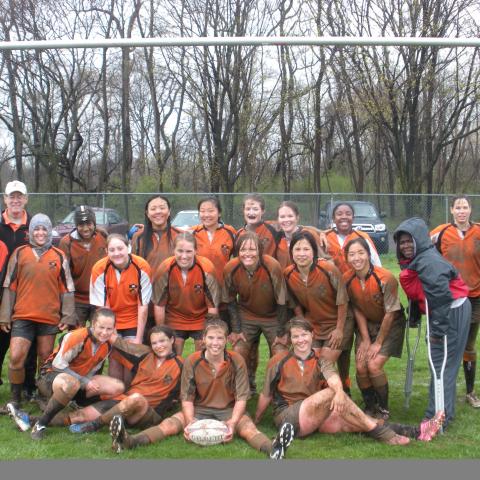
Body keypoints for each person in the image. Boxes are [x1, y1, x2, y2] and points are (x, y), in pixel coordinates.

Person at [108, 318, 295, 460]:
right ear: (203, 339)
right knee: (168, 425)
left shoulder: (237, 360)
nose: (215, 343)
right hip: (198, 408)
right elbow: (187, 398)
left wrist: (232, 422)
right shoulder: (192, 360)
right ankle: (129, 441)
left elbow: (241, 398)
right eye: (211, 338)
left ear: (227, 340)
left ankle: (274, 448)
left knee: (248, 429)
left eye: (220, 338)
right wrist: (190, 422)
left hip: (228, 408)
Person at [254, 316, 444, 444]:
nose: (301, 340)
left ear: (312, 335)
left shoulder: (321, 360)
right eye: (296, 337)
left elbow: (334, 378)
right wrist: (257, 421)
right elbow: (265, 395)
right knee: (333, 394)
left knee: (353, 420)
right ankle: (383, 434)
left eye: (304, 335)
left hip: (313, 415)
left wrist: (338, 393)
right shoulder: (278, 360)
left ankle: (417, 432)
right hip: (288, 419)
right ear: (290, 339)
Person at [394, 217, 471, 429]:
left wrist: (437, 331)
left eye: (410, 240)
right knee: (445, 365)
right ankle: (445, 412)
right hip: (450, 310)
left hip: (449, 313)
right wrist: (417, 312)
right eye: (402, 242)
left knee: (440, 365)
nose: (406, 246)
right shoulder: (420, 258)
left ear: (420, 239)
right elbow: (423, 290)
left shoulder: (428, 261)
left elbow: (439, 296)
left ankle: (435, 418)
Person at [7, 308, 124, 440]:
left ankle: (33, 416)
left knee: (117, 387)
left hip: (77, 380)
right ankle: (40, 424)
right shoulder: (77, 337)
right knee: (71, 383)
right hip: (50, 376)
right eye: (101, 327)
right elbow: (58, 366)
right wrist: (85, 382)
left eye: (109, 329)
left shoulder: (107, 344)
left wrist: (89, 383)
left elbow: (91, 371)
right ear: (92, 324)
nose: (104, 332)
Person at [44, 325, 183, 434]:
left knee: (136, 398)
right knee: (78, 416)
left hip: (147, 413)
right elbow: (121, 344)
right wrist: (100, 329)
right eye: (154, 343)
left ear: (172, 340)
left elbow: (190, 392)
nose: (159, 346)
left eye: (162, 341)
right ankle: (34, 421)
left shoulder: (182, 365)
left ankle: (95, 425)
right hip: (123, 404)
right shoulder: (145, 354)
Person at [0, 213, 77, 408]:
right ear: (31, 231)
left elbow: (67, 289)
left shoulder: (59, 256)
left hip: (48, 317)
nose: (40, 232)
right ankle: (15, 399)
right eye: (36, 228)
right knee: (17, 356)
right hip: (22, 316)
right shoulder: (19, 253)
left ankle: (43, 397)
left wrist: (67, 316)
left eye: (44, 228)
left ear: (49, 231)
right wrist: (5, 315)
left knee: (45, 359)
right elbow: (10, 285)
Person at [344, 237, 405, 419]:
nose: (357, 258)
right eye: (352, 254)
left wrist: (377, 343)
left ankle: (384, 408)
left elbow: (390, 313)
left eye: (361, 253)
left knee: (374, 364)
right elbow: (357, 309)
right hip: (367, 325)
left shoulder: (385, 277)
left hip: (391, 323)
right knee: (361, 366)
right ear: (346, 257)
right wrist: (365, 340)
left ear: (369, 254)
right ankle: (370, 407)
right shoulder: (347, 279)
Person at [324, 202, 382, 396]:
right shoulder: (325, 237)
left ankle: (355, 386)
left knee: (356, 350)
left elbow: (377, 266)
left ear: (353, 217)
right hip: (334, 301)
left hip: (359, 299)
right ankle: (342, 385)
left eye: (348, 213)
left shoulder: (362, 237)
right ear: (333, 218)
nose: (343, 217)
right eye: (339, 214)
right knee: (341, 348)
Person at [284, 230, 352, 388]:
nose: (302, 254)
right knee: (311, 361)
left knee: (324, 363)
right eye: (297, 249)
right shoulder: (288, 274)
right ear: (291, 252)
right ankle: (318, 399)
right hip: (314, 324)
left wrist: (339, 330)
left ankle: (341, 391)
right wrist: (302, 323)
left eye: (306, 249)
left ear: (314, 252)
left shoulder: (328, 269)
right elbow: (294, 303)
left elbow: (342, 300)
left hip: (338, 322)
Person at [430, 195, 480, 408]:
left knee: (468, 344)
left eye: (465, 207)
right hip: (449, 298)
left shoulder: (478, 231)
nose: (461, 211)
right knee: (449, 344)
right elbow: (420, 247)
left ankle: (470, 392)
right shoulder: (440, 232)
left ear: (470, 210)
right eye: (457, 207)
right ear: (451, 210)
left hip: (475, 296)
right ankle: (445, 388)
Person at [223, 232, 289, 389]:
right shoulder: (231, 268)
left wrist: (281, 332)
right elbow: (230, 300)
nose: (247, 254)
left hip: (273, 316)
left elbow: (282, 302)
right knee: (239, 351)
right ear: (238, 251)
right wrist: (236, 329)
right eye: (243, 249)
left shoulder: (272, 266)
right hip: (246, 314)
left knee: (280, 353)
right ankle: (243, 388)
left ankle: (277, 390)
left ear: (260, 250)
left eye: (252, 249)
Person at [90, 233, 152, 382]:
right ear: (107, 252)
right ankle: (115, 396)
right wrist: (114, 337)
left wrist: (138, 338)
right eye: (112, 250)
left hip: (133, 320)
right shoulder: (99, 268)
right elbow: (104, 309)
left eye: (120, 248)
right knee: (115, 358)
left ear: (128, 247)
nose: (116, 253)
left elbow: (143, 306)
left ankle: (128, 395)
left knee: (130, 360)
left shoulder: (142, 266)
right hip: (110, 321)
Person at [152, 232, 220, 356]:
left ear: (195, 251)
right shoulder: (165, 268)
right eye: (180, 251)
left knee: (203, 357)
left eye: (188, 251)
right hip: (175, 317)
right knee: (173, 357)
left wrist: (209, 333)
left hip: (201, 318)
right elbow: (159, 305)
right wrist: (162, 332)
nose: (184, 256)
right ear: (174, 250)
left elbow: (213, 307)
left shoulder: (207, 269)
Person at [0, 180, 37, 399]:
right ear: (5, 199)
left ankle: (28, 386)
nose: (15, 200)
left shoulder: (34, 226)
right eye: (11, 196)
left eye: (19, 196)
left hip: (26, 292)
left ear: (25, 199)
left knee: (27, 339)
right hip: (0, 291)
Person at [58, 206, 107, 326]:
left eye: (89, 223)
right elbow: (63, 276)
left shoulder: (103, 236)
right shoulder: (66, 242)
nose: (85, 228)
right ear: (76, 225)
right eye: (81, 224)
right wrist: (66, 306)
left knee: (100, 335)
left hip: (100, 296)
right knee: (77, 337)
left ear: (94, 223)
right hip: (78, 299)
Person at [130, 195, 182, 273]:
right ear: (147, 213)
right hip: (146, 284)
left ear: (169, 211)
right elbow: (133, 266)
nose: (158, 211)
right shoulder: (138, 237)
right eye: (153, 209)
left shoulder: (181, 236)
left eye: (162, 208)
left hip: (174, 284)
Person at [275, 200, 327, 270]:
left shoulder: (309, 234)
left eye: (290, 216)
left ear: (297, 218)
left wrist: (322, 233)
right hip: (284, 279)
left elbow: (326, 260)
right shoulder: (276, 237)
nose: (286, 220)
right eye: (282, 217)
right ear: (278, 219)